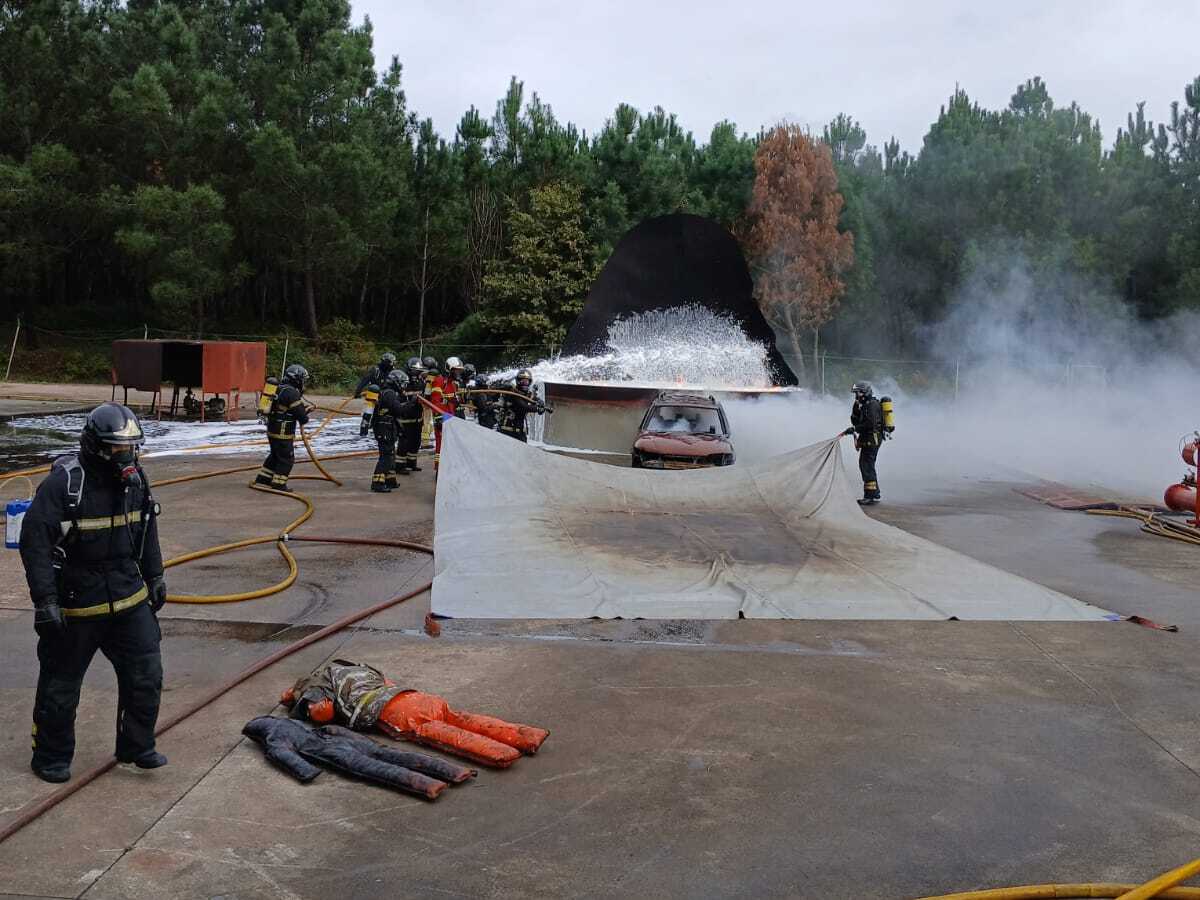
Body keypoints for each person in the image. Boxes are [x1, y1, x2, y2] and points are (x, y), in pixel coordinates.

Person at [19, 403, 167, 783]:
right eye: (119, 449)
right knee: (61, 685)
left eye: (132, 448)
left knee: (146, 673)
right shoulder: (64, 485)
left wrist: (156, 576)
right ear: (97, 447)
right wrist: (45, 602)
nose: (127, 457)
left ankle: (137, 746)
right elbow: (35, 543)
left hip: (128, 595)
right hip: (77, 601)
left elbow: (147, 530)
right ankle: (50, 757)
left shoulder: (137, 483)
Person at [255, 364, 310, 492]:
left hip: (272, 430)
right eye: (303, 379)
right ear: (297, 378)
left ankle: (263, 479)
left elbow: (287, 408)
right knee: (287, 458)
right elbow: (301, 416)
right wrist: (305, 414)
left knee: (275, 455)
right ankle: (279, 483)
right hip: (283, 432)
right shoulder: (292, 393)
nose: (303, 382)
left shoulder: (279, 388)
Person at [843, 381, 885, 505]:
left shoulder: (872, 405)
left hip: (872, 440)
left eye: (858, 393)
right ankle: (874, 493)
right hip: (868, 439)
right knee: (866, 464)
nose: (857, 396)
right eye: (856, 394)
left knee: (867, 466)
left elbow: (870, 424)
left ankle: (870, 496)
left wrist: (855, 429)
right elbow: (856, 421)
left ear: (865, 392)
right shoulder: (865, 405)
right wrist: (855, 410)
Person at [430, 357, 465, 471]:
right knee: (441, 444)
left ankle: (449, 468)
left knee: (451, 444)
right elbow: (435, 401)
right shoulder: (440, 380)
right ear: (449, 369)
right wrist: (439, 418)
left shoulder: (453, 384)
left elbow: (453, 402)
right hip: (442, 418)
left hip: (450, 417)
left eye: (460, 370)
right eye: (456, 370)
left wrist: (458, 401)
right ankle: (439, 469)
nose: (458, 373)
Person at [497, 369, 547, 443]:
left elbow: (533, 398)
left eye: (526, 381)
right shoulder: (513, 393)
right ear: (518, 381)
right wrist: (537, 409)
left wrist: (540, 402)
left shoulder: (526, 394)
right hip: (507, 430)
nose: (524, 384)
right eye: (522, 381)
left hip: (519, 432)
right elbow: (523, 407)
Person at [420, 356, 439, 449]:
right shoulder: (431, 375)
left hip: (422, 401)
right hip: (427, 402)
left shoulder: (420, 374)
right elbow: (428, 391)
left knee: (425, 422)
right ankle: (425, 442)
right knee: (427, 422)